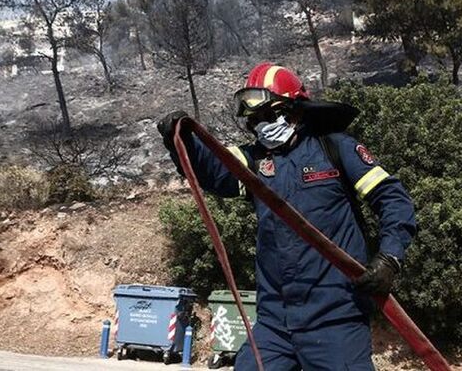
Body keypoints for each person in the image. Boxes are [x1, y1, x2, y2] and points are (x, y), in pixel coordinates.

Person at [158, 62, 417, 371]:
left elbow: (392, 198)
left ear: (294, 110)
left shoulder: (336, 149)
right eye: (254, 121)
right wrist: (182, 141)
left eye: (268, 116)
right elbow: (213, 171)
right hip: (275, 324)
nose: (261, 126)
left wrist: (389, 257)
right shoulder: (254, 160)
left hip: (336, 319)